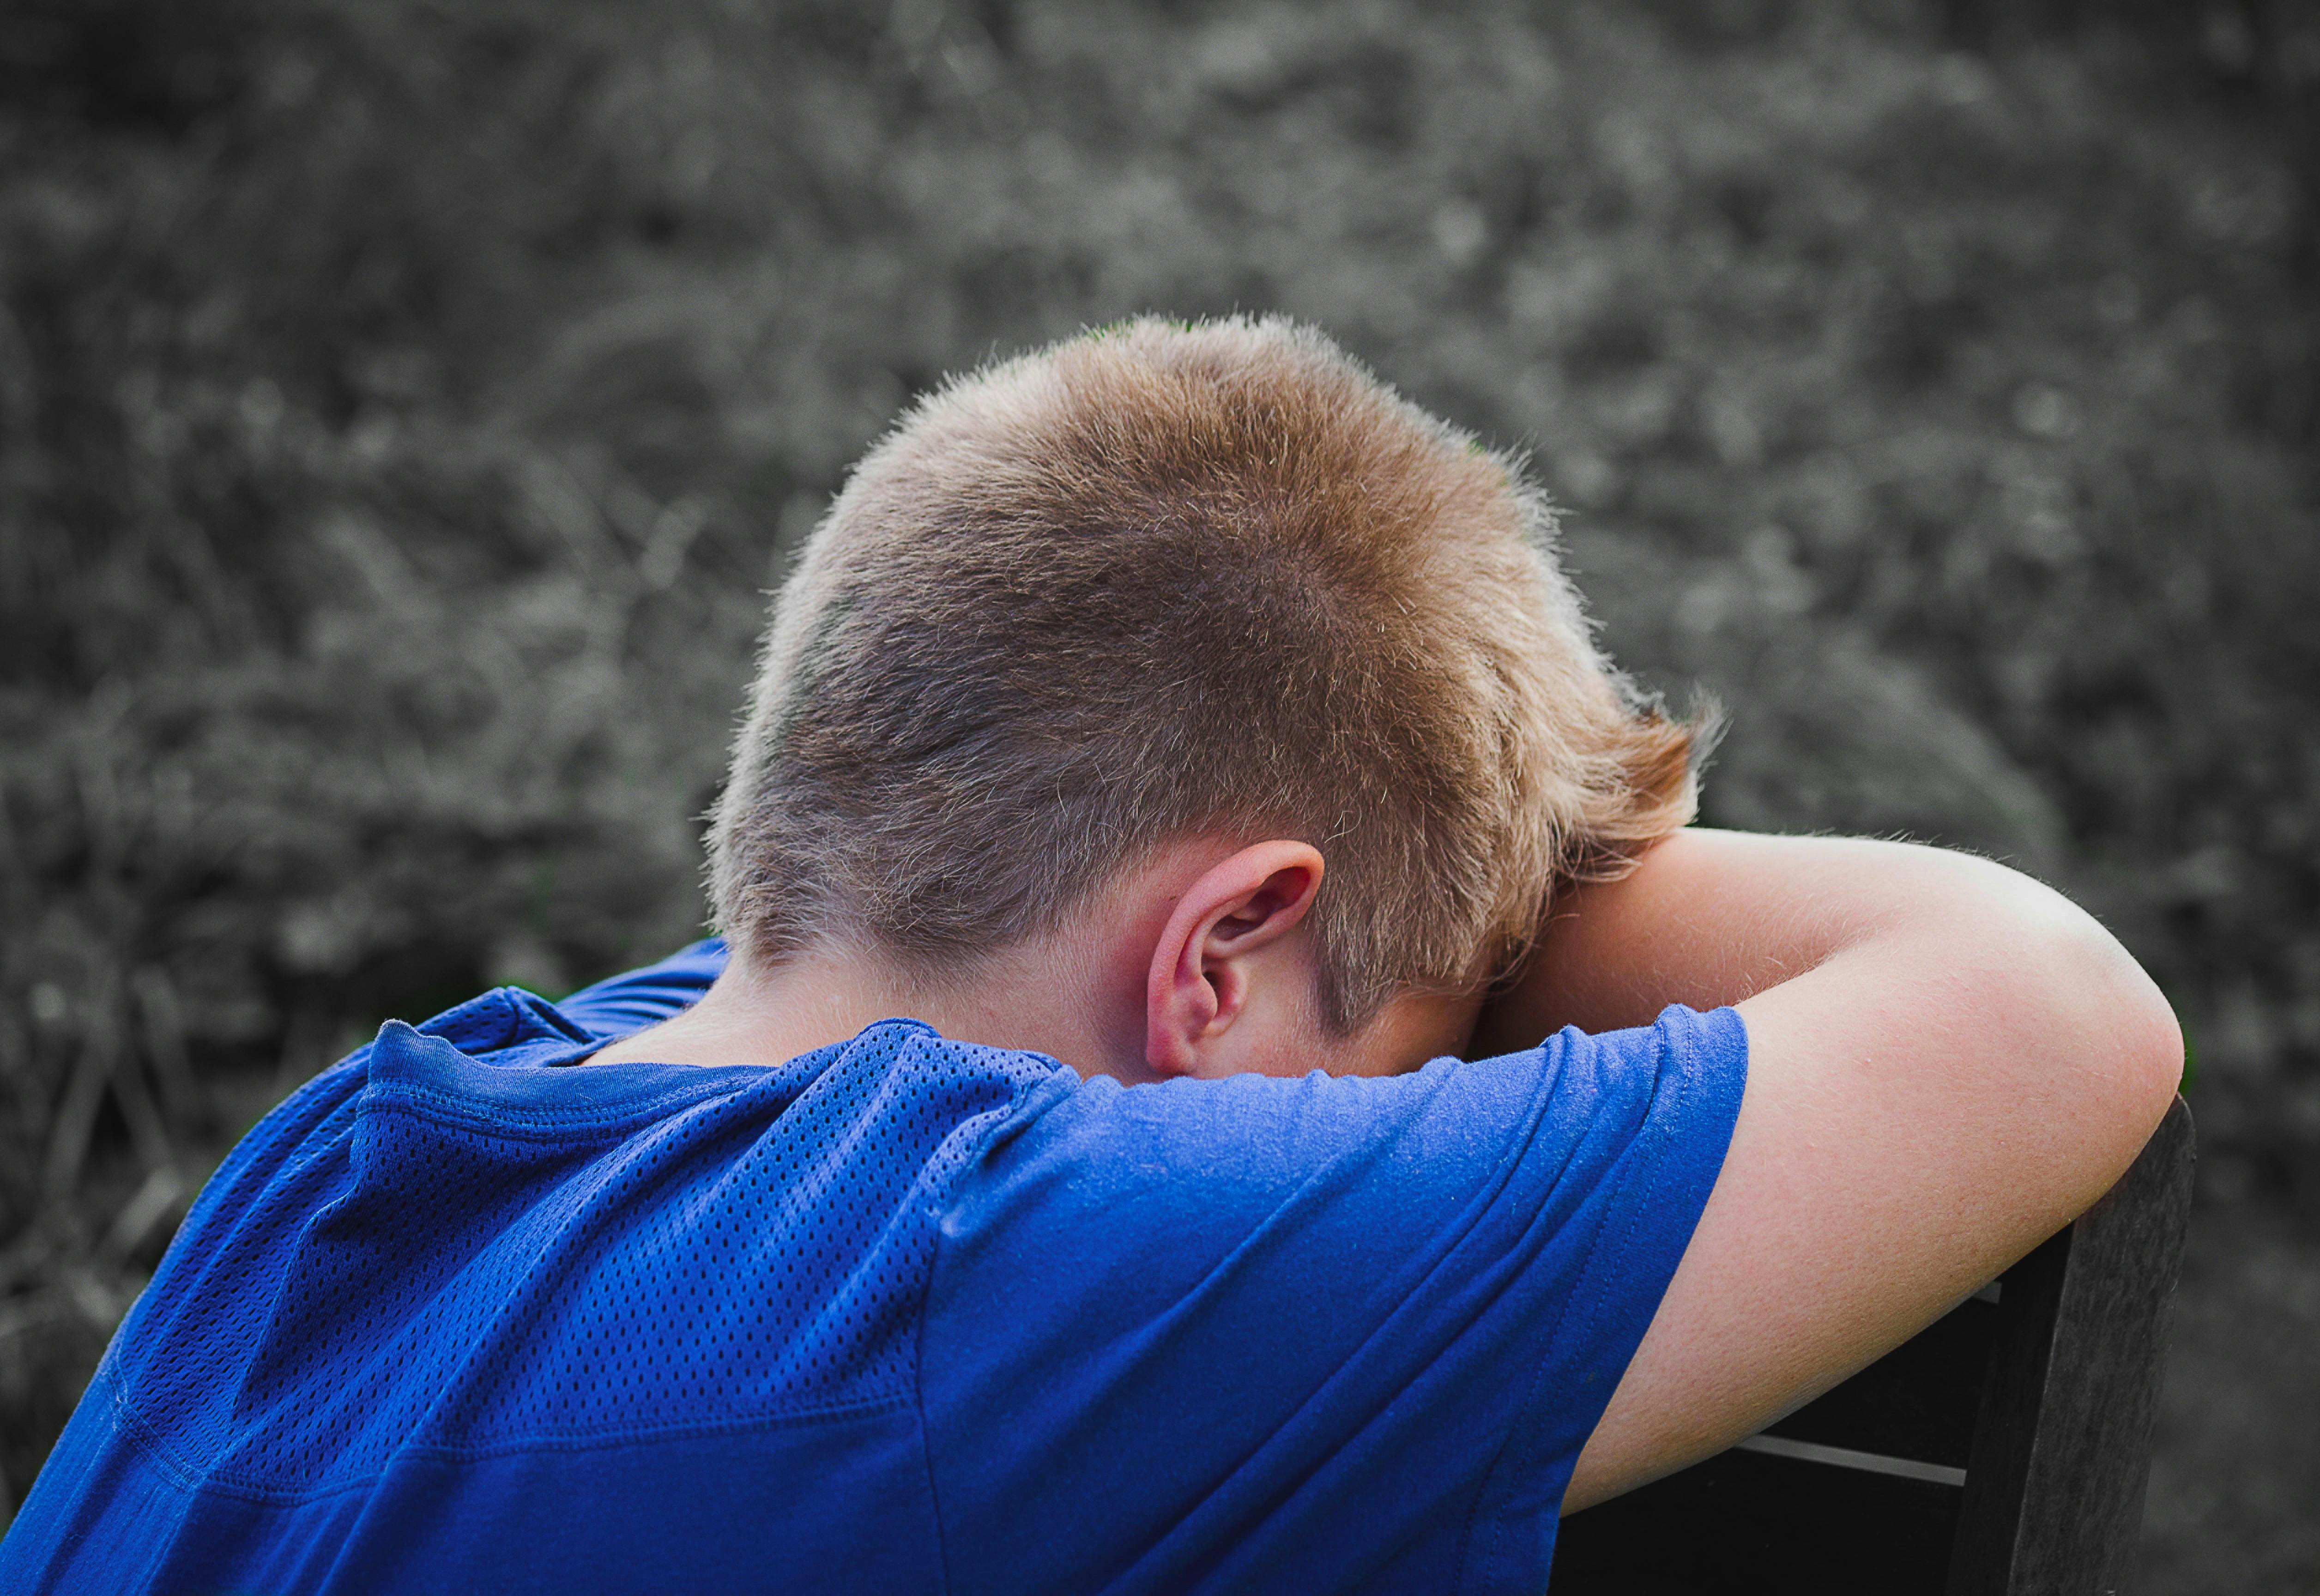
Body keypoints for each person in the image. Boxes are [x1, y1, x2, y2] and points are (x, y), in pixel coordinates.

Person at [0, 317, 2182, 1594]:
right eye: (1407, 1068)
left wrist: (1439, 878)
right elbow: (2051, 1011)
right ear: (1224, 954)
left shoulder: (339, 1165)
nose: (1391, 1131)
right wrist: (1523, 873)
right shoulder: (1006, 1270)